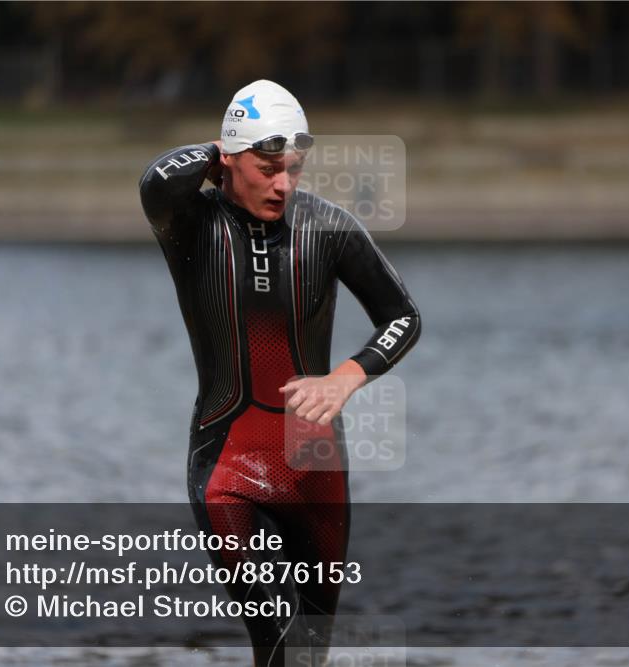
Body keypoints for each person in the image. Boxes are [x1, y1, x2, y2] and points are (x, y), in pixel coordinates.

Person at [139, 79, 421, 666]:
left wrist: (348, 376)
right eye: (268, 167)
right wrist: (215, 152)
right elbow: (156, 180)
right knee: (279, 636)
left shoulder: (327, 225)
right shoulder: (189, 225)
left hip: (317, 467)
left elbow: (404, 317)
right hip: (228, 463)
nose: (283, 183)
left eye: (292, 168)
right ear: (232, 160)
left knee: (309, 653)